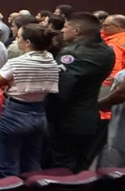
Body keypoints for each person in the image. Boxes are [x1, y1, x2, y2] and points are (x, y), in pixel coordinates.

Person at [46, 13, 115, 172]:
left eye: (66, 27)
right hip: (90, 115)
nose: (62, 30)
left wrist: (48, 116)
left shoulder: (72, 54)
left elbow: (60, 92)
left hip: (67, 120)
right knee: (81, 167)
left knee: (62, 168)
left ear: (77, 30)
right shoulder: (106, 50)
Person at [0, 24, 60, 177]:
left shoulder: (16, 63)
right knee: (32, 162)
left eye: (18, 37)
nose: (16, 39)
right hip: (40, 114)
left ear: (28, 43)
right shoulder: (52, 61)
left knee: (6, 165)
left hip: (14, 113)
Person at [99, 69, 125, 168]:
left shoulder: (122, 75)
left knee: (109, 175)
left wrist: (96, 105)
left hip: (119, 141)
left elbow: (120, 95)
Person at [102, 15, 125, 87]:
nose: (103, 27)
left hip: (113, 82)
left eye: (106, 25)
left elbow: (114, 64)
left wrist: (106, 85)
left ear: (116, 27)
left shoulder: (115, 43)